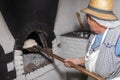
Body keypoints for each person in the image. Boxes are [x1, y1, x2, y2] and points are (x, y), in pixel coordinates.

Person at [64, 0, 120, 80]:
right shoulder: (93, 35)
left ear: (93, 19)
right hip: (92, 76)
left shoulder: (117, 36)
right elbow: (95, 59)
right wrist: (77, 61)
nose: (87, 20)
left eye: (87, 17)